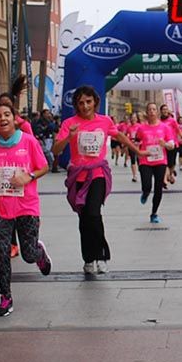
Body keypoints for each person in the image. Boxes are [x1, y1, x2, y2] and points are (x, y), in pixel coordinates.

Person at [53, 86, 141, 277]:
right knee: (84, 218)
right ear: (76, 104)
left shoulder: (105, 121)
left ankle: (101, 256)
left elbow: (120, 136)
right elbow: (55, 150)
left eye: (88, 102)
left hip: (98, 174)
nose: (85, 106)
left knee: (93, 213)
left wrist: (138, 151)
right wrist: (69, 137)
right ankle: (88, 259)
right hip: (78, 176)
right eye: (81, 103)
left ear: (95, 102)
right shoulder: (70, 123)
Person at [0, 103, 52, 316]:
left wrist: (28, 177)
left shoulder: (28, 141)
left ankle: (39, 252)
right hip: (1, 207)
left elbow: (44, 166)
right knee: (3, 253)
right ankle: (5, 297)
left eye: (7, 115)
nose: (3, 119)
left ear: (14, 118)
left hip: (27, 205)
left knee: (28, 255)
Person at [133, 102, 175, 224]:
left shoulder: (164, 127)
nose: (152, 111)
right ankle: (145, 193)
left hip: (160, 160)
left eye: (154, 109)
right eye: (149, 109)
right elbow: (136, 142)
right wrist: (138, 150)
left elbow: (171, 145)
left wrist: (165, 144)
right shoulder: (141, 128)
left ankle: (154, 213)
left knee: (158, 187)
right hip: (145, 161)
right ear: (147, 112)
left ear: (157, 112)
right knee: (147, 185)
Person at [160, 104, 182, 185]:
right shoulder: (159, 121)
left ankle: (170, 174)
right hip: (163, 144)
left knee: (172, 163)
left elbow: (178, 130)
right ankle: (166, 178)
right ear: (161, 111)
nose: (165, 111)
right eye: (163, 109)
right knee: (165, 162)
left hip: (172, 143)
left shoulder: (172, 120)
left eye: (166, 109)